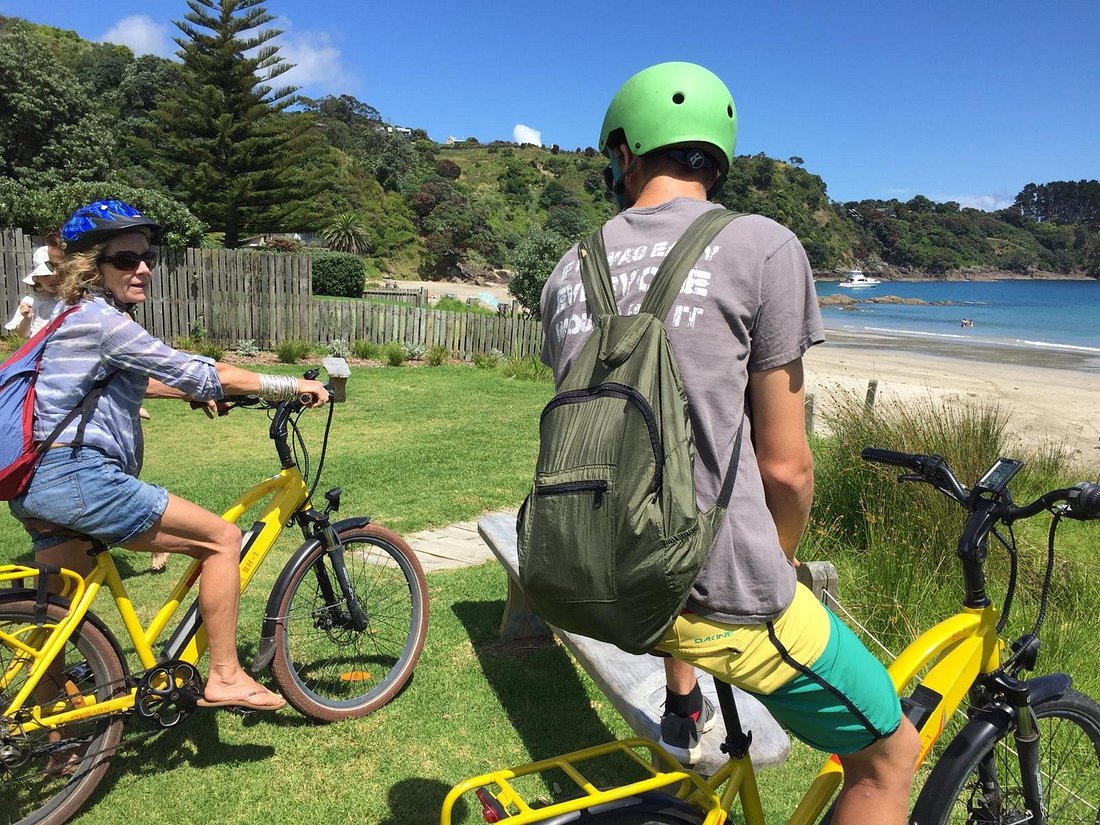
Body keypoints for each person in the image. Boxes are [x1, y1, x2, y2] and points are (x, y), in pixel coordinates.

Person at [538, 63, 920, 825]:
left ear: (623, 152)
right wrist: (777, 572)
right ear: (717, 156)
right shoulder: (762, 246)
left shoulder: (564, 273)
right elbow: (787, 466)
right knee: (890, 756)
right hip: (721, 594)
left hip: (595, 574)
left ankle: (687, 709)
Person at [9, 199, 329, 712]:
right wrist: (290, 382)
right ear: (93, 265)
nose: (142, 268)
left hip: (38, 485)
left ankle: (48, 731)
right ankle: (225, 676)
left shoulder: (72, 317)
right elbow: (205, 371)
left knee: (58, 617)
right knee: (223, 540)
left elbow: (127, 378)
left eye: (146, 257)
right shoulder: (104, 321)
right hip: (78, 477)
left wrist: (191, 393)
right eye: (124, 259)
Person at [4, 241, 63, 339]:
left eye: (60, 275)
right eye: (46, 275)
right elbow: (23, 334)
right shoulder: (30, 302)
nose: (53, 278)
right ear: (37, 278)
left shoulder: (67, 299)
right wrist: (27, 319)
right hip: (40, 349)